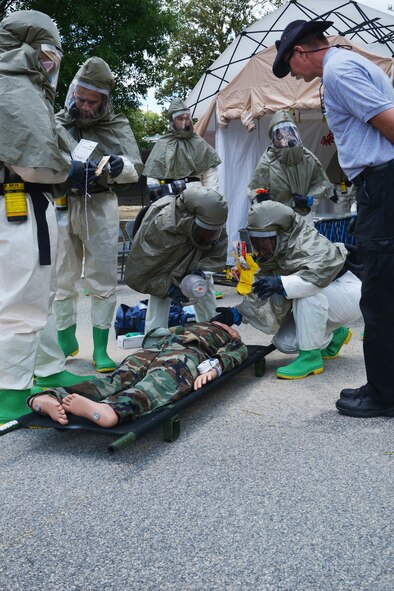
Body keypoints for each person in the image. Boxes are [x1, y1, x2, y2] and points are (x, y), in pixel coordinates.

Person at [272, 19, 394, 417]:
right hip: (380, 183)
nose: (292, 73)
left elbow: (388, 121)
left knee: (379, 293)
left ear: (302, 52)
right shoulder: (347, 64)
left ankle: (385, 395)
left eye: (290, 64)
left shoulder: (339, 71)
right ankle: (383, 383)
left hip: (383, 182)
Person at [0, 10, 91, 422]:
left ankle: (42, 371)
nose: (50, 66)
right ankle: (9, 399)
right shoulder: (15, 86)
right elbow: (35, 163)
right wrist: (69, 169)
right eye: (48, 56)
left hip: (11, 205)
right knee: (23, 302)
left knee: (30, 296)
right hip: (17, 205)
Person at [52, 57, 144, 373]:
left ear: (104, 101)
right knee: (61, 275)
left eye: (92, 102)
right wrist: (67, 171)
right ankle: (65, 337)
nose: (85, 106)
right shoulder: (57, 123)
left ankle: (101, 350)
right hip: (63, 203)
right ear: (73, 93)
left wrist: (120, 166)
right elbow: (43, 158)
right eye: (80, 99)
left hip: (101, 205)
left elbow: (134, 167)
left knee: (102, 277)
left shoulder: (115, 125)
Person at [213, 200, 362, 380]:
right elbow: (263, 291)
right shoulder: (275, 253)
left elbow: (313, 280)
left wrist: (282, 284)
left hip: (350, 293)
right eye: (255, 241)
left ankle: (311, 358)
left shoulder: (309, 243)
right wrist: (236, 314)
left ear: (280, 234)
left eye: (263, 241)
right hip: (327, 299)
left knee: (305, 296)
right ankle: (336, 334)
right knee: (283, 343)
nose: (259, 248)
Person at [27, 321, 248, 427]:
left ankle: (103, 408)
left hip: (183, 351)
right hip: (169, 350)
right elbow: (157, 333)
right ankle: (56, 398)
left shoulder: (230, 338)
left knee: (149, 382)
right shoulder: (199, 326)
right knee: (125, 380)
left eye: (231, 328)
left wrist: (212, 369)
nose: (231, 328)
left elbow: (234, 354)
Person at [125, 187, 228, 334]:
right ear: (190, 219)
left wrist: (202, 270)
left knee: (203, 285)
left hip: (187, 244)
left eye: (212, 233)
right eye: (204, 232)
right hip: (164, 259)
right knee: (160, 295)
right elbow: (142, 273)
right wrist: (168, 288)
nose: (208, 237)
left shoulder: (214, 221)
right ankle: (154, 338)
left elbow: (215, 255)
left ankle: (212, 332)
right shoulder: (163, 226)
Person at [248, 110, 333, 221]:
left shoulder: (306, 157)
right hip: (277, 218)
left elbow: (321, 183)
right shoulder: (267, 160)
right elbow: (255, 187)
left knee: (306, 238)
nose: (285, 139)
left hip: (303, 217)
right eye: (280, 136)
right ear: (274, 138)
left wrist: (309, 200)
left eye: (288, 133)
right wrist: (259, 197)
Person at [143, 98, 222, 194]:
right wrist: (158, 198)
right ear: (172, 121)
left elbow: (210, 177)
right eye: (180, 119)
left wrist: (211, 199)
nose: (185, 122)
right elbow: (153, 176)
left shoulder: (200, 143)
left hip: (197, 197)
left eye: (187, 118)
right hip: (169, 196)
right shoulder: (163, 144)